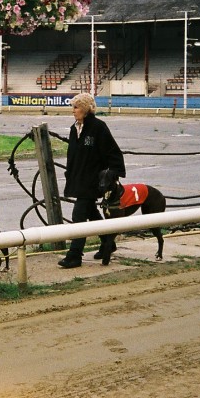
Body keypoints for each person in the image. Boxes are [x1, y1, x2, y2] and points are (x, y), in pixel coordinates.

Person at [58, 92, 126, 268]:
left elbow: (113, 152)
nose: (73, 111)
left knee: (78, 214)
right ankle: (107, 243)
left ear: (86, 109)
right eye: (73, 107)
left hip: (94, 181)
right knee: (91, 213)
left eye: (76, 107)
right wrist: (69, 174)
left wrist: (114, 174)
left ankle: (75, 255)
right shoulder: (74, 128)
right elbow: (72, 156)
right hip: (79, 178)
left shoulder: (98, 127)